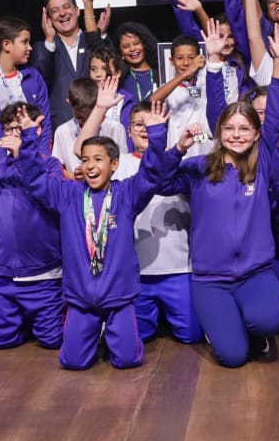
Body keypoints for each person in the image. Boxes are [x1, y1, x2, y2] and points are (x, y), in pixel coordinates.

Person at [160, 23, 279, 367]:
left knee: (267, 322)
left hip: (255, 273)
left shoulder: (262, 164)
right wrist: (178, 149)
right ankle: (226, 328)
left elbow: (274, 118)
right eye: (229, 128)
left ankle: (249, 326)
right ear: (219, 132)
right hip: (211, 279)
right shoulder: (200, 167)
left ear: (256, 134)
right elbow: (160, 181)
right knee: (233, 357)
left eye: (245, 129)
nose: (237, 135)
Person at [16, 102, 183, 369]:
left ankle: (112, 334)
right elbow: (35, 179)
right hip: (81, 298)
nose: (90, 166)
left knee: (127, 361)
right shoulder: (68, 195)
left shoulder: (126, 194)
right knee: (73, 362)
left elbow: (151, 174)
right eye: (85, 160)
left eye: (98, 159)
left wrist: (156, 134)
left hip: (118, 297)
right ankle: (95, 333)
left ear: (114, 164)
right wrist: (27, 139)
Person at [0, 103, 65, 349]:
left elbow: (52, 199)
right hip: (3, 274)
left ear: (36, 131)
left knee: (52, 340)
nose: (13, 135)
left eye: (19, 129)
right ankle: (24, 323)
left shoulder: (50, 164)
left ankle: (36, 321)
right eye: (8, 130)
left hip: (42, 274)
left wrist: (23, 156)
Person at [115, 101, 203, 345]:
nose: (145, 129)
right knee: (137, 338)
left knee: (192, 336)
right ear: (128, 130)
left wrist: (177, 149)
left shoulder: (181, 160)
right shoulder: (117, 163)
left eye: (153, 124)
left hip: (178, 268)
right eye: (138, 124)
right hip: (136, 272)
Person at [33, 0, 107, 125]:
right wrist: (49, 39)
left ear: (77, 11)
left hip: (97, 121)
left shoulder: (92, 42)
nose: (62, 13)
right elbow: (39, 83)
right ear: (48, 19)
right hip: (60, 124)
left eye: (66, 7)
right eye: (55, 11)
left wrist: (88, 5)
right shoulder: (44, 48)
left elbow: (107, 66)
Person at [0, 18, 52, 148]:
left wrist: (42, 154)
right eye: (24, 42)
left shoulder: (33, 77)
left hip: (30, 155)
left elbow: (45, 121)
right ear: (7, 45)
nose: (30, 47)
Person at [52, 76, 128, 173]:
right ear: (69, 103)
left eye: (89, 117)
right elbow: (57, 168)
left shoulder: (115, 128)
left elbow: (122, 166)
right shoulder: (62, 131)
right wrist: (73, 177)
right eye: (80, 117)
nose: (85, 123)